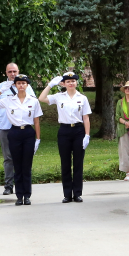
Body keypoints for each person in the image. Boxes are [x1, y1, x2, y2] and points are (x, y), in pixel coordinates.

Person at [0, 74, 43, 205]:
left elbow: (36, 121)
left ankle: (27, 195)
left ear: (27, 85)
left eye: (24, 83)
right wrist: (1, 90)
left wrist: (38, 138)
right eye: (19, 83)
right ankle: (19, 196)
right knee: (17, 165)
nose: (21, 85)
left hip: (28, 132)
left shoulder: (33, 100)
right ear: (15, 85)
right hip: (15, 132)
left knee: (27, 166)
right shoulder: (9, 100)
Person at [40, 72, 91, 203]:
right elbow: (42, 98)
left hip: (78, 130)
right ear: (64, 83)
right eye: (68, 81)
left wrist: (87, 135)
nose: (71, 83)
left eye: (73, 81)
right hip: (64, 130)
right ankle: (67, 194)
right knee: (65, 163)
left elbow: (86, 118)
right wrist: (50, 85)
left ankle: (78, 193)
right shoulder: (59, 97)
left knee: (78, 163)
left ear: (76, 83)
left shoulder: (82, 98)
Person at [0, 63, 34, 196]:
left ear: (18, 71)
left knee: (23, 157)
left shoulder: (27, 86)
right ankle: (8, 185)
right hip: (5, 127)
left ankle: (22, 185)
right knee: (8, 157)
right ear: (6, 73)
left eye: (14, 71)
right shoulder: (0, 87)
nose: (12, 74)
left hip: (21, 128)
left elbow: (33, 105)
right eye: (10, 71)